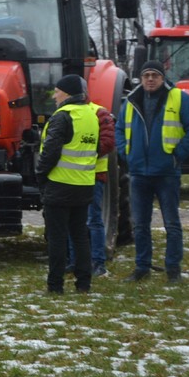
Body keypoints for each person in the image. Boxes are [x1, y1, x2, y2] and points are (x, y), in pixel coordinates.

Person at [115, 60, 189, 282]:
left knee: (171, 223)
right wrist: (126, 153)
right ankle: (142, 267)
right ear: (141, 79)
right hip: (139, 173)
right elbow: (119, 129)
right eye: (146, 75)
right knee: (140, 225)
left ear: (163, 77)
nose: (150, 79)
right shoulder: (132, 100)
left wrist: (178, 154)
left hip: (167, 173)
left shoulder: (179, 97)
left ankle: (173, 269)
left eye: (155, 75)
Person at [37, 74, 99, 294]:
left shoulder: (63, 116)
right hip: (83, 185)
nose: (54, 95)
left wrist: (40, 175)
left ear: (67, 93)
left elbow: (51, 151)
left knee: (57, 238)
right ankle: (84, 284)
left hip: (60, 184)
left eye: (57, 91)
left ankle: (55, 286)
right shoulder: (91, 115)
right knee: (80, 235)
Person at [69, 100, 117, 277]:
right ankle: (74, 261)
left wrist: (84, 153)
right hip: (70, 175)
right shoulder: (66, 112)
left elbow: (108, 143)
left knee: (93, 219)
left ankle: (98, 262)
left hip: (93, 175)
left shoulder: (99, 113)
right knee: (72, 220)